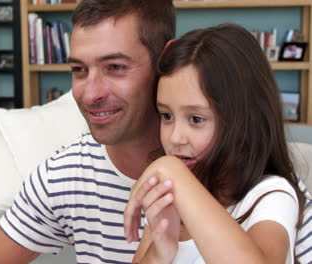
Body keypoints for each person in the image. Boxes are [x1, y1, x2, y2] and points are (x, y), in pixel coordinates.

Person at [0, 0, 175, 263]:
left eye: (115, 67)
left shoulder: (228, 168)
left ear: (166, 60)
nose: (90, 94)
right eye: (79, 70)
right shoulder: (63, 176)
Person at [124, 24, 307, 264]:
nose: (175, 137)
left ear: (243, 121)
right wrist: (159, 254)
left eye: (196, 119)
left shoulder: (270, 195)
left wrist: (173, 171)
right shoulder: (170, 195)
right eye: (166, 116)